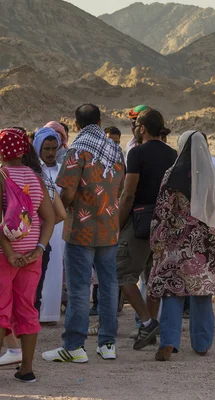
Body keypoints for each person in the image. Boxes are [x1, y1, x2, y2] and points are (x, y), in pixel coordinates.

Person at [43, 104, 125, 363]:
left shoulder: (78, 152)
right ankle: (108, 344)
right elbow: (119, 189)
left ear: (77, 125)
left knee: (79, 288)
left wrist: (57, 213)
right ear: (100, 122)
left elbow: (67, 192)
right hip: (109, 228)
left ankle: (74, 346)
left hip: (81, 229)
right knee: (109, 286)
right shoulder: (116, 150)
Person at [148, 130, 215, 361]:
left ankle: (169, 343)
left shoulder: (172, 174)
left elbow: (163, 209)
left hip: (177, 242)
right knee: (202, 291)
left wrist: (156, 238)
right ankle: (202, 343)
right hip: (206, 242)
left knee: (173, 290)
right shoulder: (214, 173)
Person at [116, 109, 177, 350]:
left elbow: (128, 194)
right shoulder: (173, 154)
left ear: (142, 128)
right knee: (154, 278)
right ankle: (149, 326)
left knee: (122, 273)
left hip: (140, 221)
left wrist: (118, 226)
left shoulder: (137, 153)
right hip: (165, 222)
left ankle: (147, 321)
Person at [0, 127, 54, 382]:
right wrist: (38, 249)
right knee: (27, 309)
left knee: (0, 310)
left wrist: (10, 253)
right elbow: (49, 218)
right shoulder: (35, 176)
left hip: (4, 255)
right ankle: (27, 369)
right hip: (32, 256)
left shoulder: (1, 175)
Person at [32, 127, 67, 324]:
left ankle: (50, 314)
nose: (51, 153)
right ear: (38, 148)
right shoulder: (33, 171)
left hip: (59, 227)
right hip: (38, 227)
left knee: (54, 269)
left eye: (54, 148)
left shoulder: (62, 169)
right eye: (46, 149)